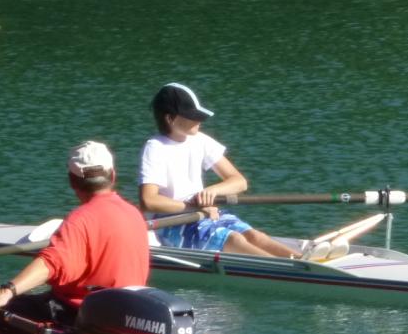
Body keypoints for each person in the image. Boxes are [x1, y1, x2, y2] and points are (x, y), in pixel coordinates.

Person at [0, 140, 150, 334]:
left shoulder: (81, 220)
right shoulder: (134, 215)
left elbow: (51, 263)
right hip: (120, 320)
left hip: (75, 319)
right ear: (112, 175)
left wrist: (5, 291)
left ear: (72, 181)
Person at [138, 83, 344, 261]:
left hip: (205, 214)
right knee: (234, 239)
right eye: (192, 116)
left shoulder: (200, 140)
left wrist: (214, 191)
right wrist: (191, 205)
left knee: (254, 236)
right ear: (170, 119)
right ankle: (294, 271)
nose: (199, 120)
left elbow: (239, 181)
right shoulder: (155, 147)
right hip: (173, 223)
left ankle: (302, 260)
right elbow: (149, 201)